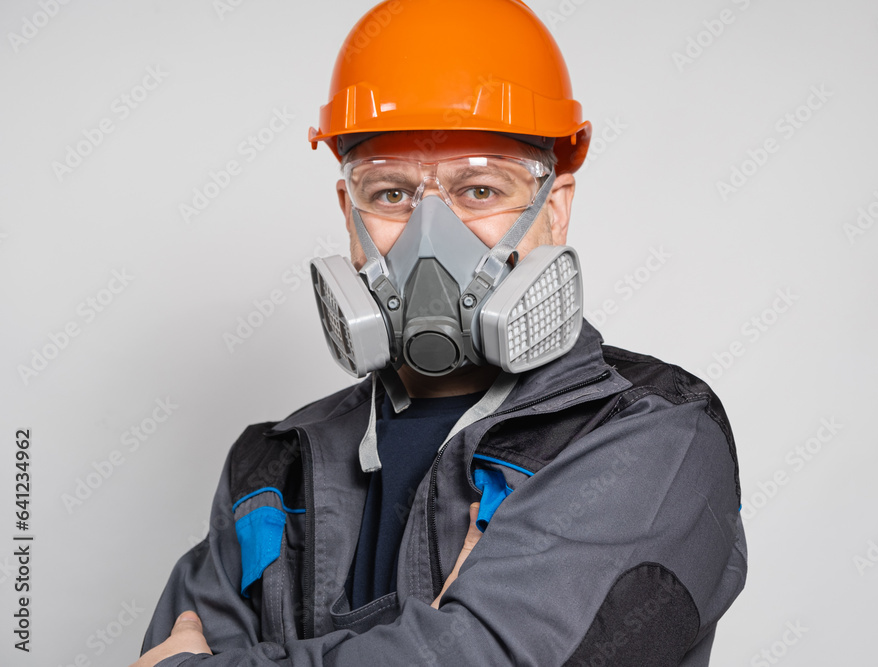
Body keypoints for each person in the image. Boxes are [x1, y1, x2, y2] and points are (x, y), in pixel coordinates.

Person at [135, 0, 747, 665]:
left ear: (556, 209)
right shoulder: (271, 471)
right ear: (350, 212)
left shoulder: (651, 433)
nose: (431, 236)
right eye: (391, 192)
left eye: (480, 189)